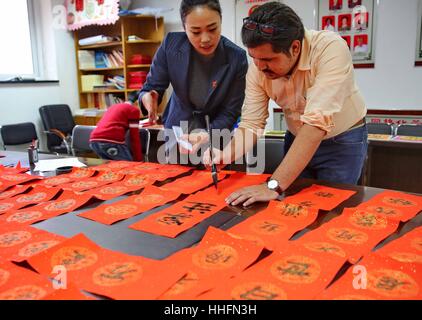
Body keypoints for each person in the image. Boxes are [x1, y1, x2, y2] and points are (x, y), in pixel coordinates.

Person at [204, 2, 367, 206]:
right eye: (254, 58)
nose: (260, 67)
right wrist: (225, 154)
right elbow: (252, 124)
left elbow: (316, 124)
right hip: (297, 137)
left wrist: (273, 185)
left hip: (341, 141)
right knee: (292, 208)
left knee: (331, 208)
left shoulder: (329, 48)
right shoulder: (258, 67)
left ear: (295, 47)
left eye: (268, 59)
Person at [138, 0, 248, 161]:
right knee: (173, 181)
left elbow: (230, 111)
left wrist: (208, 134)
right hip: (177, 129)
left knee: (213, 180)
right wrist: (148, 96)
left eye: (212, 29)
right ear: (184, 28)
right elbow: (151, 87)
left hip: (215, 133)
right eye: (196, 32)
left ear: (220, 21)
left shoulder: (236, 58)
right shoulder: (171, 45)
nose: (205, 39)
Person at [90, 91, 143, 161]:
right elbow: (134, 137)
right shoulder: (133, 110)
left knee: (110, 167)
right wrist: (138, 160)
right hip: (111, 141)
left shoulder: (113, 107)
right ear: (138, 102)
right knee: (129, 167)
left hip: (94, 141)